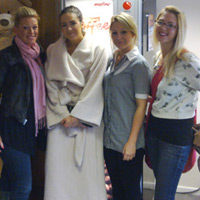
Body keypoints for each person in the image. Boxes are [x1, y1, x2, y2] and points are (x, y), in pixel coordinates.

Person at [44, 5, 108, 200]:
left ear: (82, 23)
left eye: (73, 23)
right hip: (60, 119)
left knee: (87, 170)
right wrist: (63, 114)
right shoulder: (53, 49)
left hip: (86, 120)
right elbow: (50, 84)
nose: (69, 28)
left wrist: (78, 116)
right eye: (64, 25)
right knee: (58, 169)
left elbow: (96, 85)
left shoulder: (98, 49)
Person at [146, 5, 200, 200]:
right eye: (161, 22)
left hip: (176, 137)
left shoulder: (187, 61)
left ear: (179, 30)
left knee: (163, 194)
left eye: (171, 25)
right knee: (161, 187)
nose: (164, 28)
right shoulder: (160, 57)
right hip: (155, 131)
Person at [0, 6, 46, 200]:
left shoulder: (40, 55)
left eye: (34, 27)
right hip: (12, 129)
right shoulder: (7, 57)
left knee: (9, 182)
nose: (31, 32)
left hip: (30, 129)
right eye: (26, 28)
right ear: (16, 29)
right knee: (23, 186)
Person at [103, 12, 151, 200]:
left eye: (123, 32)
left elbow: (141, 106)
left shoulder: (138, 64)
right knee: (117, 190)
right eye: (114, 33)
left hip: (128, 141)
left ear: (133, 33)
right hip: (110, 139)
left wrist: (131, 142)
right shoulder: (112, 60)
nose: (119, 37)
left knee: (130, 192)